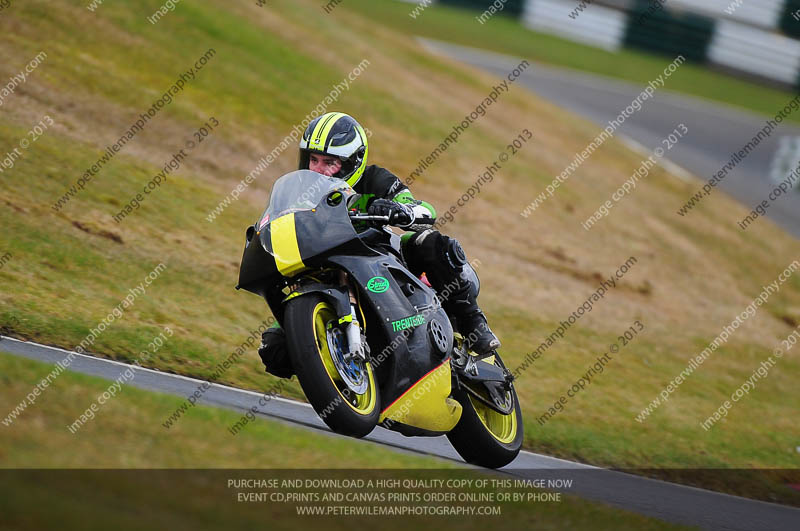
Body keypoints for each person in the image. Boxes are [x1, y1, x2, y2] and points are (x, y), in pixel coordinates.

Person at [259, 111, 499, 376]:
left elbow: (420, 209)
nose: (317, 169)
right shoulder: (302, 195)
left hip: (383, 259)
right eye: (312, 160)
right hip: (326, 268)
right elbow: (279, 219)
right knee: (275, 349)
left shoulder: (374, 179)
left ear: (353, 162)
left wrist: (399, 210)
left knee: (428, 241)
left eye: (329, 162)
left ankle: (472, 322)